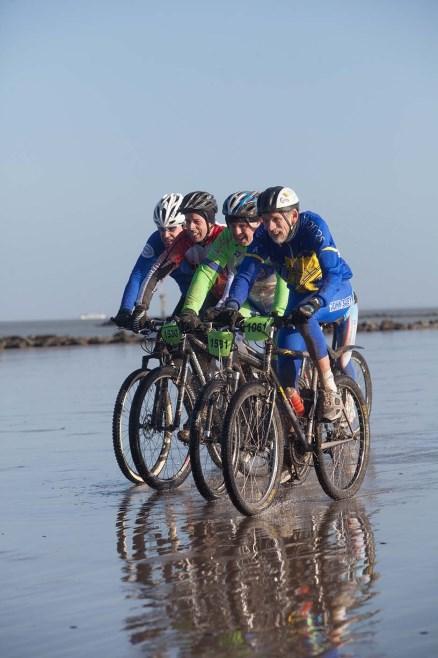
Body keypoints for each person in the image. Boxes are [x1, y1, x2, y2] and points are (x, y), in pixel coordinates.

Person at [213, 186, 358, 421]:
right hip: (300, 297)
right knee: (285, 369)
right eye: (265, 220)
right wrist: (232, 305)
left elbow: (332, 273)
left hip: (335, 292)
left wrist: (317, 301)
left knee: (315, 328)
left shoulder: (313, 226)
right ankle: (297, 427)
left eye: (276, 220)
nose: (270, 227)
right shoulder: (263, 237)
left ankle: (331, 389)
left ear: (293, 216)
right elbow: (245, 276)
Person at [178, 191, 288, 331]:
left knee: (283, 346)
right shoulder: (226, 238)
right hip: (251, 303)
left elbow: (284, 278)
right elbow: (205, 273)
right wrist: (190, 309)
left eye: (242, 226)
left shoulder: (271, 238)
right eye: (232, 225)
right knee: (225, 334)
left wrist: (278, 313)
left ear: (258, 222)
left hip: (282, 301)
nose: (236, 232)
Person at [131, 191, 226, 329]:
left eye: (196, 221)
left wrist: (225, 306)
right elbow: (157, 273)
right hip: (201, 296)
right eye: (187, 221)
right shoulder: (184, 239)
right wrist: (141, 307)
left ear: (209, 221)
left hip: (233, 297)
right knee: (170, 335)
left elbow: (237, 276)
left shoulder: (225, 236)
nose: (191, 227)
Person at [112, 193, 186, 329]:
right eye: (161, 229)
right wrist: (126, 310)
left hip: (215, 295)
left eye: (171, 228)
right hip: (188, 296)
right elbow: (138, 275)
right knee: (169, 340)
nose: (165, 235)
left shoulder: (197, 242)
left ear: (185, 225)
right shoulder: (157, 241)